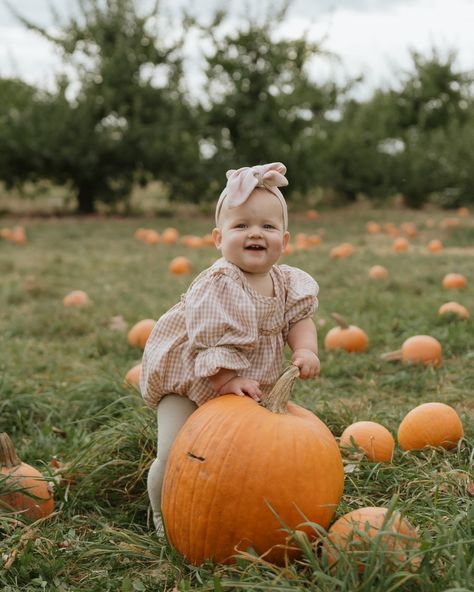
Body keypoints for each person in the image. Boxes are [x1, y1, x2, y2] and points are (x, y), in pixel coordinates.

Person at [140, 162, 320, 535]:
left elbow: (300, 322)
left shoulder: (287, 283)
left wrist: (306, 350)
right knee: (174, 452)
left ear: (285, 242)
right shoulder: (219, 283)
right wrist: (226, 380)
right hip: (191, 381)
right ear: (219, 239)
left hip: (243, 387)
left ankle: (227, 510)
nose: (255, 234)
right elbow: (210, 339)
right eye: (241, 226)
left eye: (268, 227)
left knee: (235, 460)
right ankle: (161, 515)